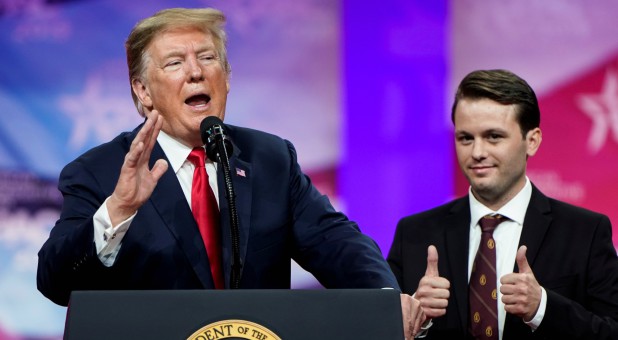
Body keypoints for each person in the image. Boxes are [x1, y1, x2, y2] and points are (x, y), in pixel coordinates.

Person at [36, 7, 425, 337]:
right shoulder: (100, 171)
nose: (196, 73)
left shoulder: (270, 158)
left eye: (207, 58)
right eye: (175, 63)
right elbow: (55, 281)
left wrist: (387, 300)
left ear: (227, 77)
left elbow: (337, 244)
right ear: (142, 90)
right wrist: (118, 209)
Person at [387, 69, 618, 339]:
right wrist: (414, 318)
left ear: (532, 141)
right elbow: (376, 331)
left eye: (493, 136)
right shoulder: (414, 234)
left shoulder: (584, 232)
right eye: (466, 138)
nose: (477, 152)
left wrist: (542, 307)